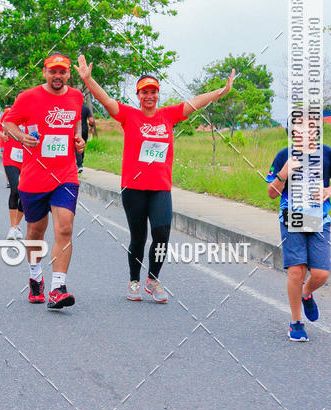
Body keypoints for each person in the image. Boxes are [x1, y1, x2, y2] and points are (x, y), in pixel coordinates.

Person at [76, 55, 235, 302]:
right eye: (144, 92)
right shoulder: (129, 115)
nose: (149, 96)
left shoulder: (168, 115)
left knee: (162, 236)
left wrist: (221, 92)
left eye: (153, 92)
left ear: (158, 94)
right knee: (138, 238)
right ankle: (133, 282)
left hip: (160, 188)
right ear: (138, 95)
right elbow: (105, 99)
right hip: (134, 188)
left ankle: (153, 280)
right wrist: (88, 79)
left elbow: (196, 102)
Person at [3, 54, 85, 310]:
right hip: (34, 177)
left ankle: (58, 288)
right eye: (53, 71)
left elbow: (76, 122)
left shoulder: (76, 97)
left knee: (65, 228)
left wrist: (79, 138)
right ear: (45, 73)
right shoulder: (28, 97)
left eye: (62, 72)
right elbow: (8, 122)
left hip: (65, 175)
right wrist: (20, 137)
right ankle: (35, 277)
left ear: (68, 74)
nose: (57, 76)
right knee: (35, 232)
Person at [266, 116, 331, 341]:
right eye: (299, 127)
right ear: (292, 132)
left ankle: (306, 293)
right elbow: (271, 193)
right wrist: (283, 173)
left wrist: (329, 190)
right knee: (296, 271)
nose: (305, 131)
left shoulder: (326, 153)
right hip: (292, 217)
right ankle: (296, 322)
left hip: (319, 219)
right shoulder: (284, 155)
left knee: (321, 274)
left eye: (310, 126)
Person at [0, 107, 25, 240]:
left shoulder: (34, 114)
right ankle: (13, 227)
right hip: (11, 157)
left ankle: (16, 225)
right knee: (15, 189)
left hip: (28, 158)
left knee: (25, 192)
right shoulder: (9, 113)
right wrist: (1, 135)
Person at [75, 102, 94, 174]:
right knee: (82, 145)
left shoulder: (73, 107)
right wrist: (91, 126)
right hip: (84, 130)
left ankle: (79, 165)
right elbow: (91, 120)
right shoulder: (86, 108)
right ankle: (80, 162)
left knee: (77, 147)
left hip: (76, 129)